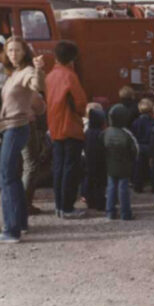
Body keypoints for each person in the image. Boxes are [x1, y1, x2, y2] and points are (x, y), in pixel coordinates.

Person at [0, 37, 46, 244]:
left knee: (6, 178)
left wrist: (39, 69)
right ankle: (21, 223)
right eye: (10, 50)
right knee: (12, 177)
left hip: (16, 127)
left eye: (17, 50)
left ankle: (10, 230)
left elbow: (37, 85)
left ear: (25, 52)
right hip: (11, 127)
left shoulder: (27, 72)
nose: (13, 54)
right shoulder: (13, 73)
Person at [45, 40, 89, 219]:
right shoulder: (70, 76)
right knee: (71, 169)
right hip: (70, 126)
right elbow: (80, 103)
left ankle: (58, 206)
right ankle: (67, 207)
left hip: (55, 127)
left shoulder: (49, 76)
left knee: (58, 168)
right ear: (72, 57)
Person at [103, 103, 138, 221]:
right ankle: (125, 213)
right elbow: (135, 149)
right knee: (123, 189)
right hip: (125, 165)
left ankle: (110, 212)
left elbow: (101, 146)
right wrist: (133, 160)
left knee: (111, 188)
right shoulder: (126, 133)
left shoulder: (106, 132)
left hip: (110, 164)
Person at [83, 105, 108, 211]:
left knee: (89, 180)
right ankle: (100, 203)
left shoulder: (87, 133)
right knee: (100, 183)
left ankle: (90, 200)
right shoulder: (102, 134)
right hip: (101, 161)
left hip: (88, 159)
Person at [130, 98, 154, 193]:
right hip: (149, 145)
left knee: (138, 168)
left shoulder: (135, 122)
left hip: (139, 146)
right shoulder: (153, 122)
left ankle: (138, 186)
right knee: (152, 167)